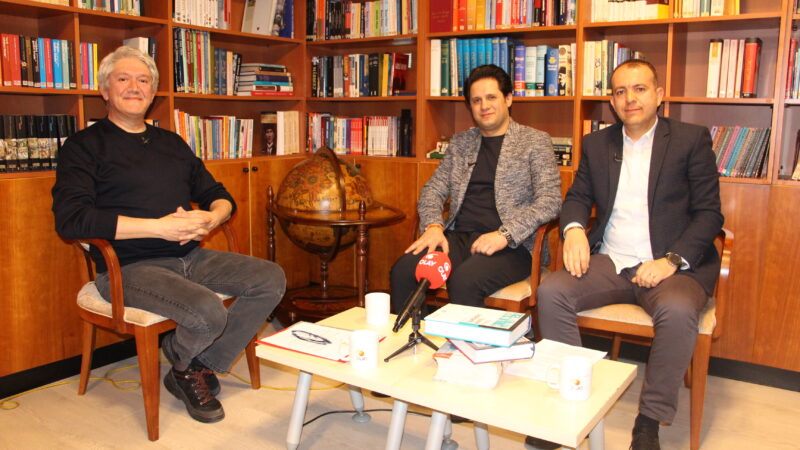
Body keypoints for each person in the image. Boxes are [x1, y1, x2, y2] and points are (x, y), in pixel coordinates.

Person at [52, 46, 286, 424]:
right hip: (128, 267)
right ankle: (188, 363)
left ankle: (191, 365)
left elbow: (219, 196)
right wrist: (157, 227)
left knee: (269, 277)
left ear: (152, 92)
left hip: (190, 256)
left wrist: (211, 218)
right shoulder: (83, 146)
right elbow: (72, 220)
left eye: (143, 80)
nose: (134, 87)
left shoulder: (171, 143)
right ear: (105, 90)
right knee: (207, 312)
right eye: (123, 79)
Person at [534, 59, 723, 450]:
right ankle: (576, 396)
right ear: (612, 101)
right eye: (620, 91)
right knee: (552, 291)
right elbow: (578, 197)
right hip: (611, 259)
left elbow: (709, 214)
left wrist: (671, 260)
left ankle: (649, 421)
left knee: (678, 310)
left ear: (659, 94)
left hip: (670, 266)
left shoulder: (690, 139)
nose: (629, 99)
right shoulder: (598, 144)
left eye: (639, 89)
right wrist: (573, 230)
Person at [390, 64, 561, 313]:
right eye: (476, 100)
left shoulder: (535, 141)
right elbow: (432, 190)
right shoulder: (461, 143)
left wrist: (505, 234)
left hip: (513, 246)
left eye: (491, 97)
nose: (484, 106)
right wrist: (434, 226)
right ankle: (417, 335)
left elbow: (550, 200)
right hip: (458, 238)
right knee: (404, 270)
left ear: (508, 99)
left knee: (465, 280)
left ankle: (469, 340)